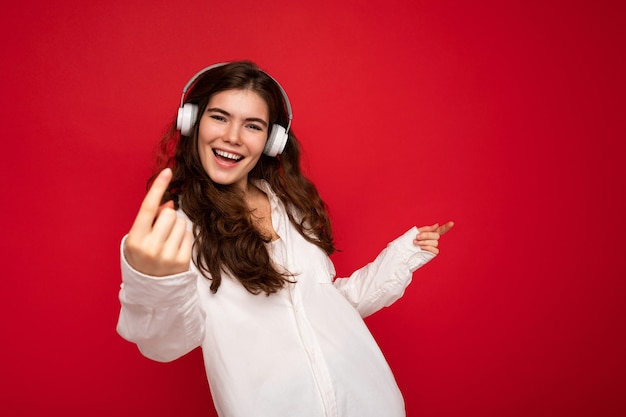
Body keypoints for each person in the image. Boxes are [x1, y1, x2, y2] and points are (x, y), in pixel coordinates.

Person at [116, 60, 454, 417]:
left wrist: (402, 255)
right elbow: (164, 344)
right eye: (219, 117)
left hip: (372, 403)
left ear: (272, 141)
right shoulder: (179, 229)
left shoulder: (291, 209)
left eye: (252, 125)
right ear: (192, 122)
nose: (232, 136)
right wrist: (152, 282)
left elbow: (327, 307)